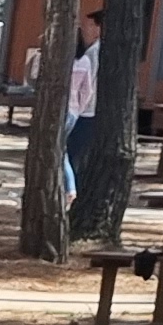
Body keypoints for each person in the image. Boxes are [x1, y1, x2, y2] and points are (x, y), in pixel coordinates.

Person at [65, 12, 102, 201]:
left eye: (90, 26)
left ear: (98, 27)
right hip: (82, 110)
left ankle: (70, 190)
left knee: (69, 153)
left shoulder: (93, 53)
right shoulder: (91, 54)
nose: (87, 30)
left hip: (85, 112)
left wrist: (80, 108)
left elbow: (89, 87)